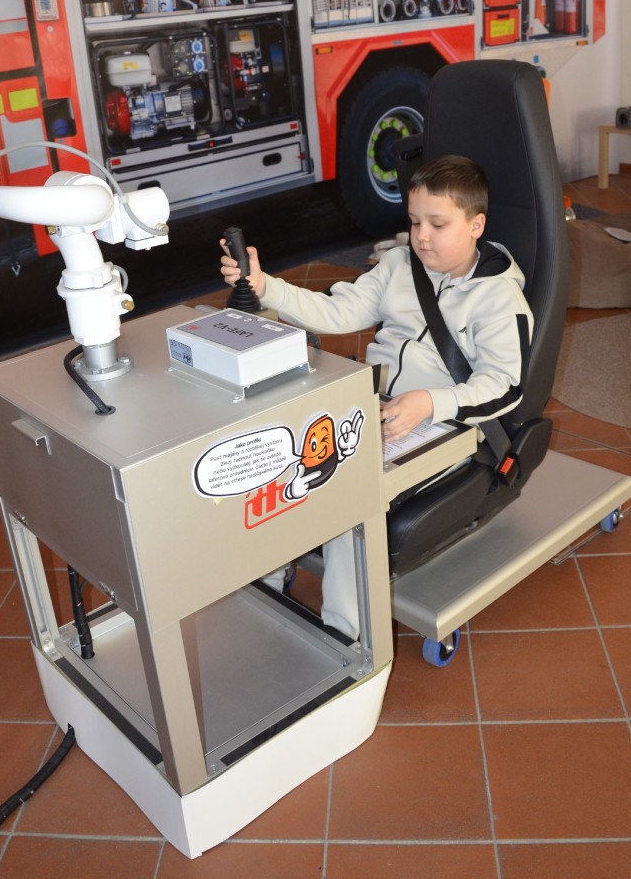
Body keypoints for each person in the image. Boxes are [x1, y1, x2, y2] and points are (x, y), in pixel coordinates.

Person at [220, 154, 534, 639]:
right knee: (285, 462)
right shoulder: (399, 265)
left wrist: (429, 402)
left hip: (445, 425)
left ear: (476, 225)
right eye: (414, 221)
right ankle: (267, 582)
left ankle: (345, 635)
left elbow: (504, 387)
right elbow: (340, 311)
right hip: (377, 409)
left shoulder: (498, 299)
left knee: (348, 496)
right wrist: (266, 287)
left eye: (437, 224)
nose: (421, 236)